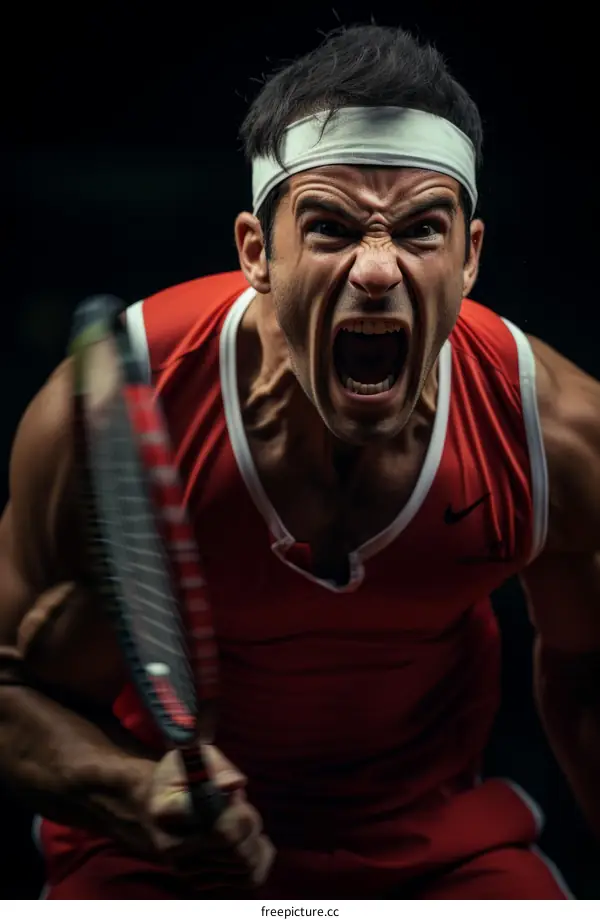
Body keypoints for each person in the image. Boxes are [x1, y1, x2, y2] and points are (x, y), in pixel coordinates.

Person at [0, 23, 598, 900]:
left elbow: (588, 669)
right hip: (150, 850)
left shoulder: (556, 434)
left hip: (440, 853)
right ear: (255, 253)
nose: (377, 270)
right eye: (329, 228)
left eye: (423, 231)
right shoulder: (113, 408)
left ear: (470, 257)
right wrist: (130, 793)